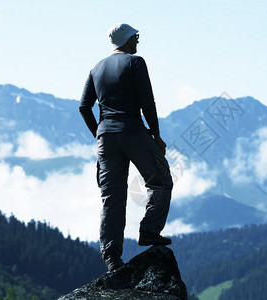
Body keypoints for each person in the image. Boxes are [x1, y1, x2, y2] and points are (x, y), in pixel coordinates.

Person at [79, 23, 173, 272]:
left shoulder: (96, 67)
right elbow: (146, 101)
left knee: (113, 196)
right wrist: (156, 135)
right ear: (127, 40)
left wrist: (98, 133)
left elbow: (84, 107)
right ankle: (150, 232)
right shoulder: (135, 62)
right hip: (132, 130)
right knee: (161, 180)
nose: (138, 42)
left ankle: (112, 259)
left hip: (106, 137)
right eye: (136, 37)